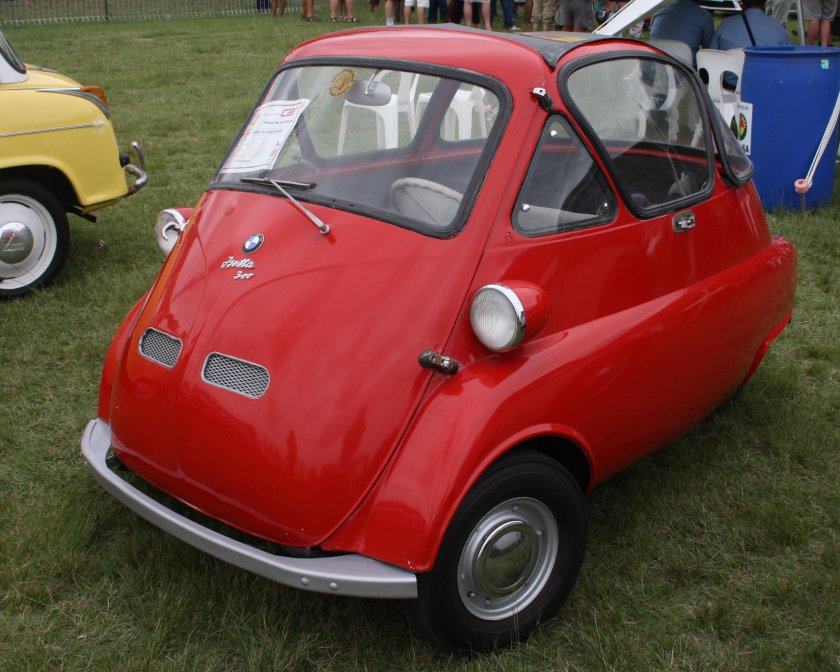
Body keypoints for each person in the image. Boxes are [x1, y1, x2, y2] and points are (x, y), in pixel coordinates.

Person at [710, 0, 791, 49]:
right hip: (766, 76)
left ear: (741, 2)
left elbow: (711, 54)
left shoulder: (725, 25)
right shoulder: (778, 29)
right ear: (765, 1)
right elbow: (788, 60)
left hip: (732, 77)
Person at [649, 0, 714, 58]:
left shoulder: (657, 13)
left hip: (656, 63)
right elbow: (709, 50)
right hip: (685, 68)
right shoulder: (704, 16)